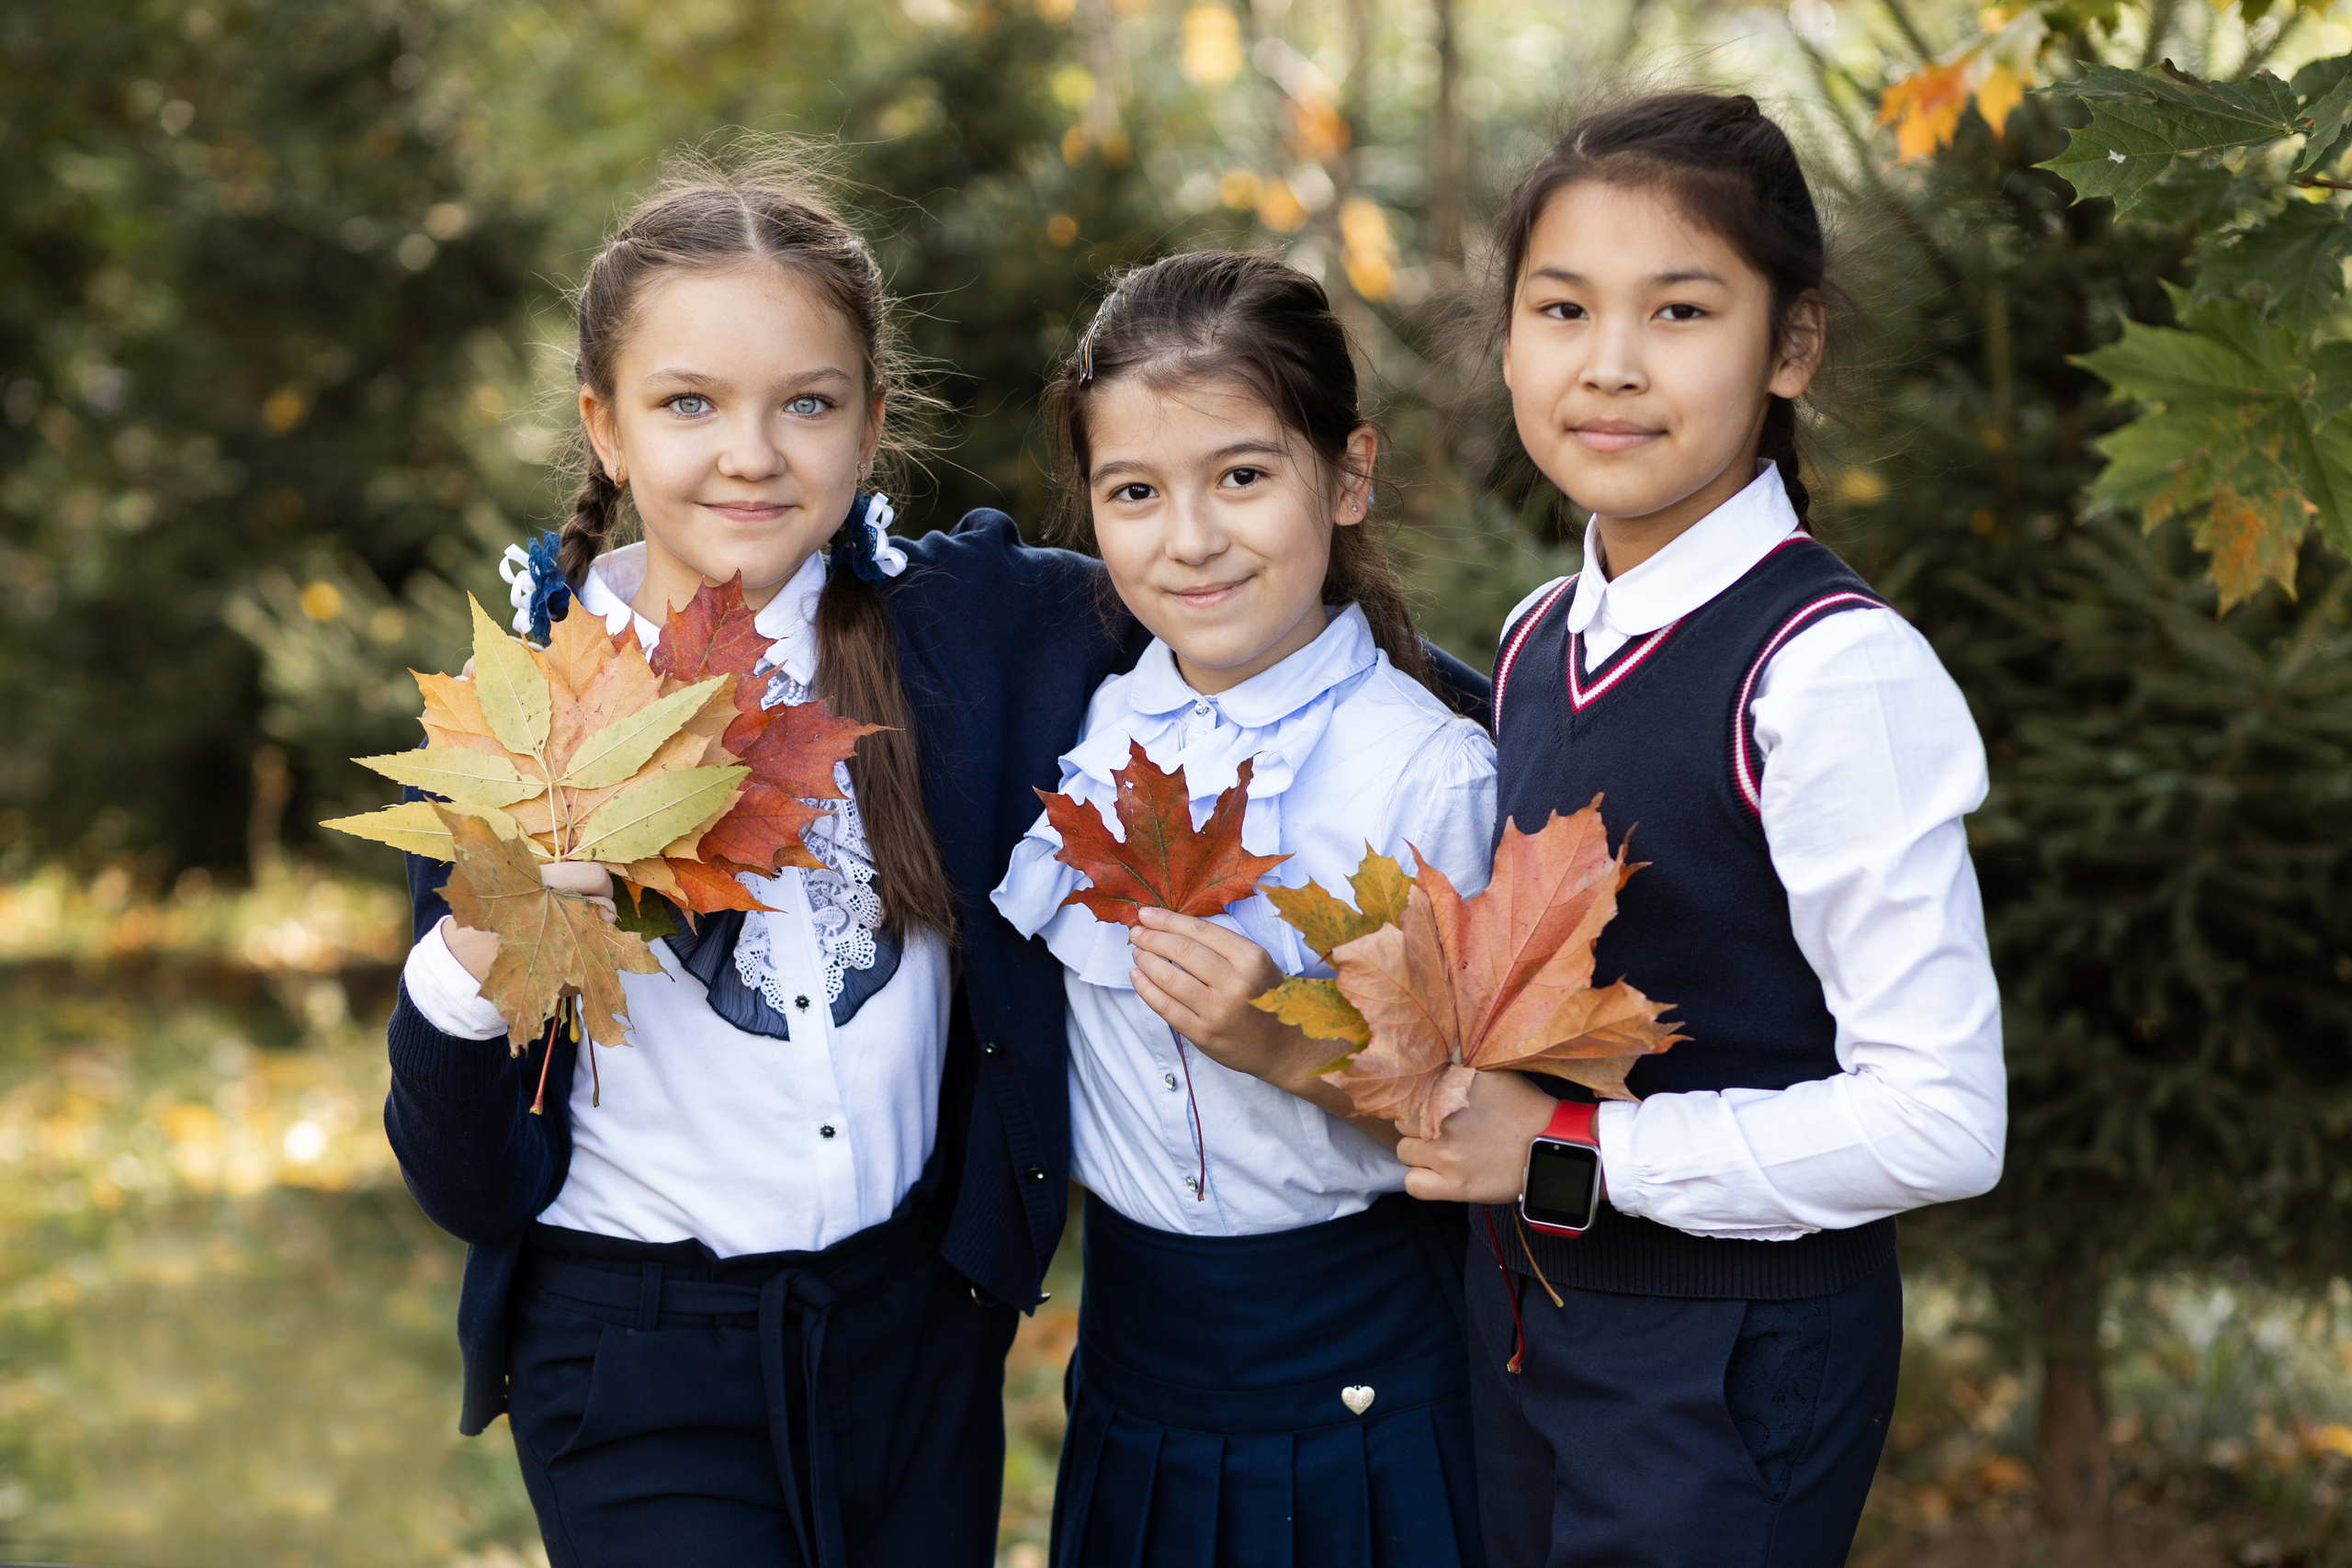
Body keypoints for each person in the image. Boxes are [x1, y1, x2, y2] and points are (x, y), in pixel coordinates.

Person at [381, 151, 1140, 1568]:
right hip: (635, 1354)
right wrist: (483, 941)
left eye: (807, 402)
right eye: (689, 404)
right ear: (605, 428)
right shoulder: (523, 723)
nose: (751, 452)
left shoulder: (965, 636)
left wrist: (1507, 705)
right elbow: (465, 1183)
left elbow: (1228, 597)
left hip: (916, 1337)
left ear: (868, 426)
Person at [1396, 94, 2007, 1567]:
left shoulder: (1826, 673)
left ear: (1789, 346)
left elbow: (1942, 1121)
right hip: (1528, 1329)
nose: (1608, 367)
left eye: (1680, 310)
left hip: (1725, 1368)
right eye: (1560, 309)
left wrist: (1561, 1155)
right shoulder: (1544, 634)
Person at [990, 251, 1496, 1568]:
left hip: (1362, 1359)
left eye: (1243, 476)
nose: (1192, 537)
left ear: (1348, 473)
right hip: (1140, 1361)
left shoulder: (1420, 765)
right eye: (1136, 493)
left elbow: (1485, 1104)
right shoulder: (1087, 733)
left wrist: (1278, 1040)